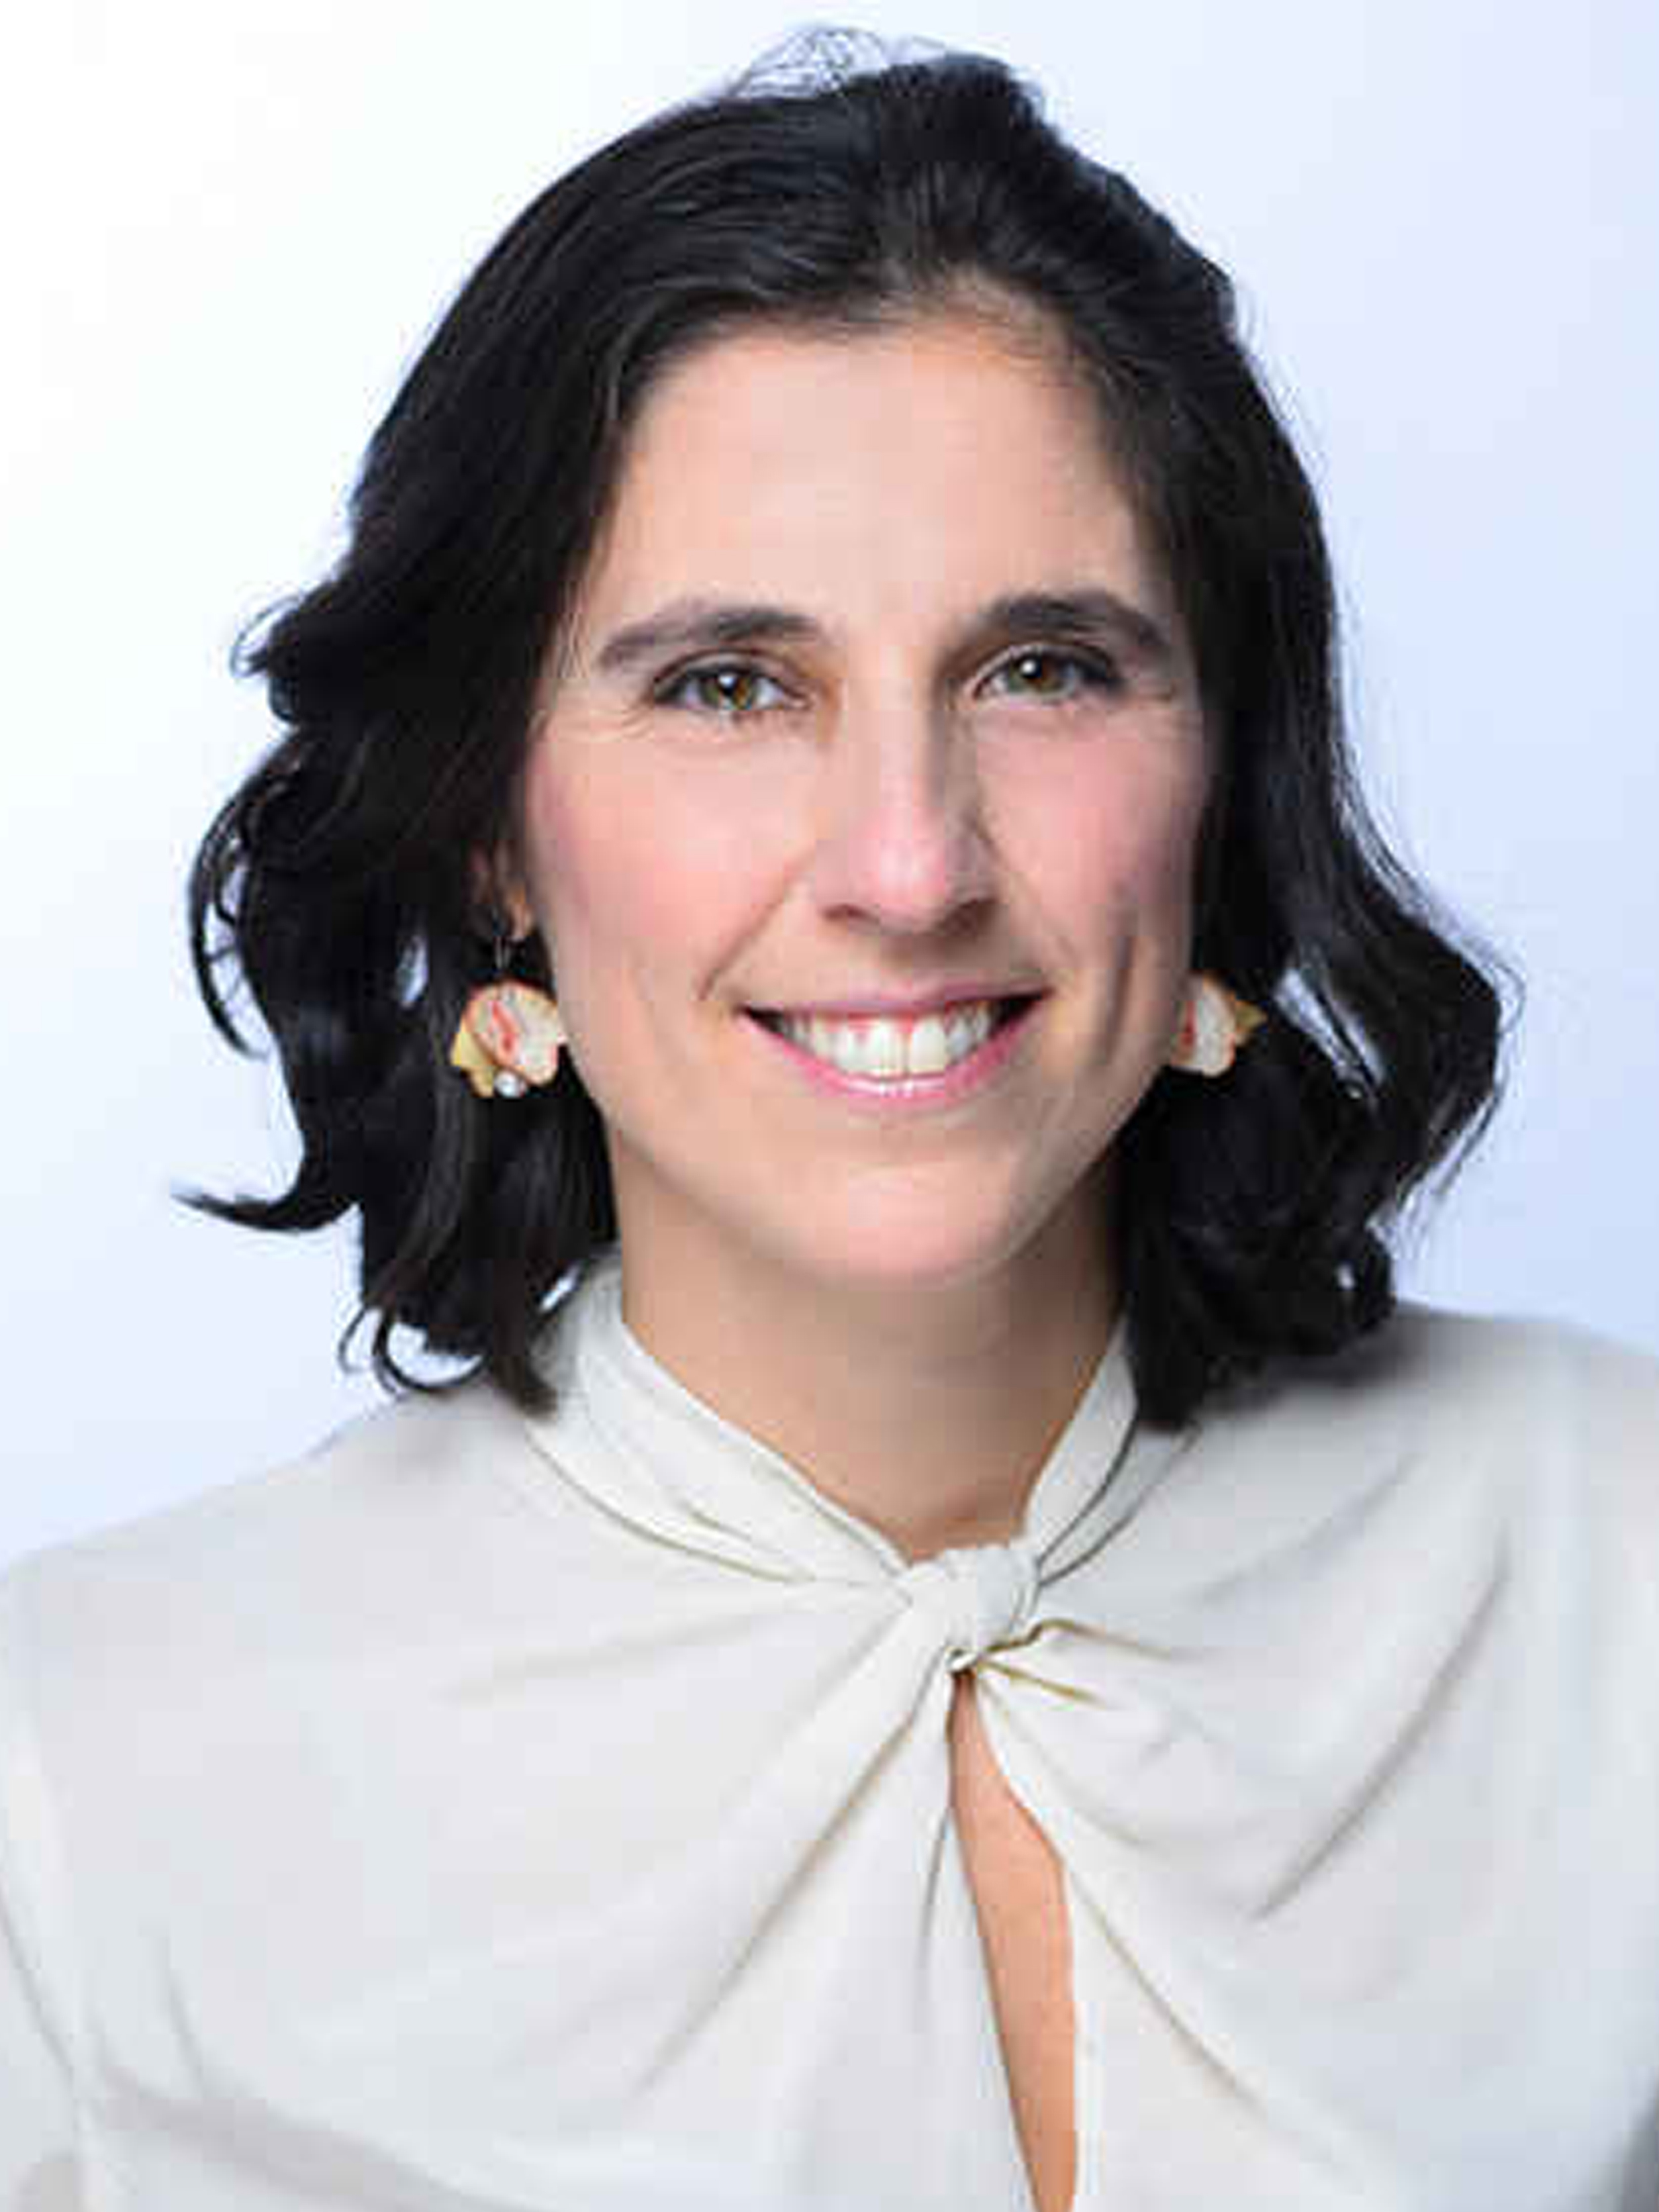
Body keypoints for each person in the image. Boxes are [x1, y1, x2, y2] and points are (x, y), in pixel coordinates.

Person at [3, 34, 1656, 2212]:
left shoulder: (1613, 1557)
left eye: (1043, 667)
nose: (906, 864)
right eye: (728, 686)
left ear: (1220, 770)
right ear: (492, 829)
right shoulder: (72, 1785)